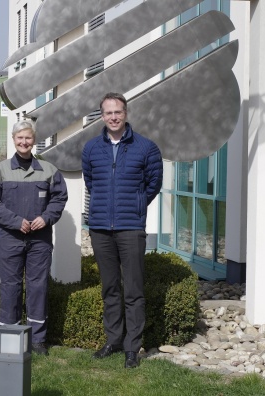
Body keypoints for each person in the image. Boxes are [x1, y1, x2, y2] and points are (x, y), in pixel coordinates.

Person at [81, 92, 163, 369]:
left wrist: (136, 204)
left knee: (134, 290)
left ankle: (132, 347)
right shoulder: (92, 148)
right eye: (108, 113)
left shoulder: (146, 148)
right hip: (101, 228)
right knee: (110, 288)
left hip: (130, 227)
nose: (113, 117)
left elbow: (153, 184)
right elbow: (91, 182)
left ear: (126, 113)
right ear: (101, 116)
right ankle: (113, 340)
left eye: (118, 112)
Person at [0, 120, 68, 356]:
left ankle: (37, 339)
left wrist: (47, 217)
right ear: (13, 140)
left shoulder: (49, 171)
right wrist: (15, 221)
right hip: (10, 238)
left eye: (28, 138)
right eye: (20, 138)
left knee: (37, 286)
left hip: (39, 240)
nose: (24, 142)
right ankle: (9, 335)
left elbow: (59, 199)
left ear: (34, 140)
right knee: (9, 285)